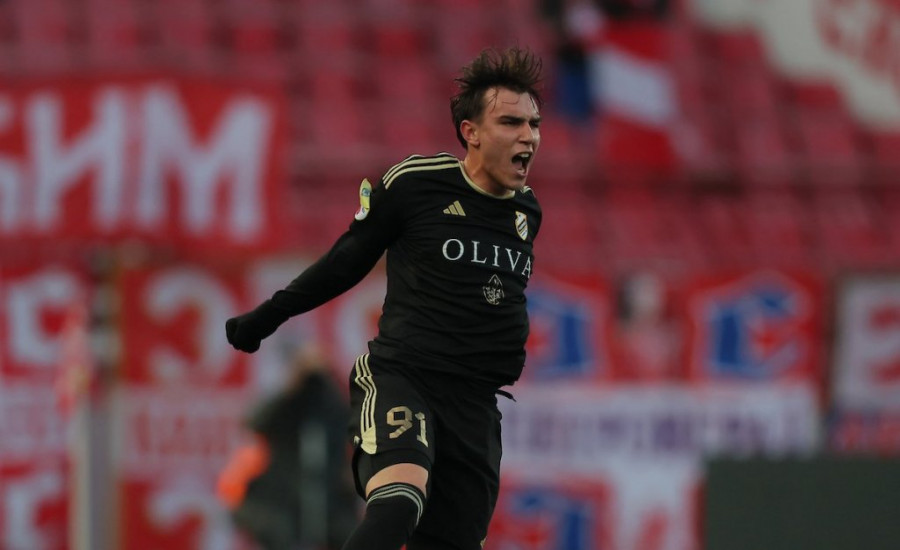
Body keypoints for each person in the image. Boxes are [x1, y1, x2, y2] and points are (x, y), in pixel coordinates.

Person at [225, 46, 544, 550]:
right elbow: (345, 260)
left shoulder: (527, 212)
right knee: (399, 500)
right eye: (511, 122)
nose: (528, 135)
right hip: (405, 378)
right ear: (471, 132)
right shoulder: (415, 185)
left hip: (476, 404)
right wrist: (268, 315)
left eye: (533, 124)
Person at [220, 343, 357, 550]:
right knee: (280, 532)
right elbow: (255, 423)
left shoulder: (333, 408)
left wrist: (328, 378)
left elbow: (356, 425)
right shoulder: (285, 407)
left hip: (329, 502)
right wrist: (294, 383)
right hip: (283, 501)